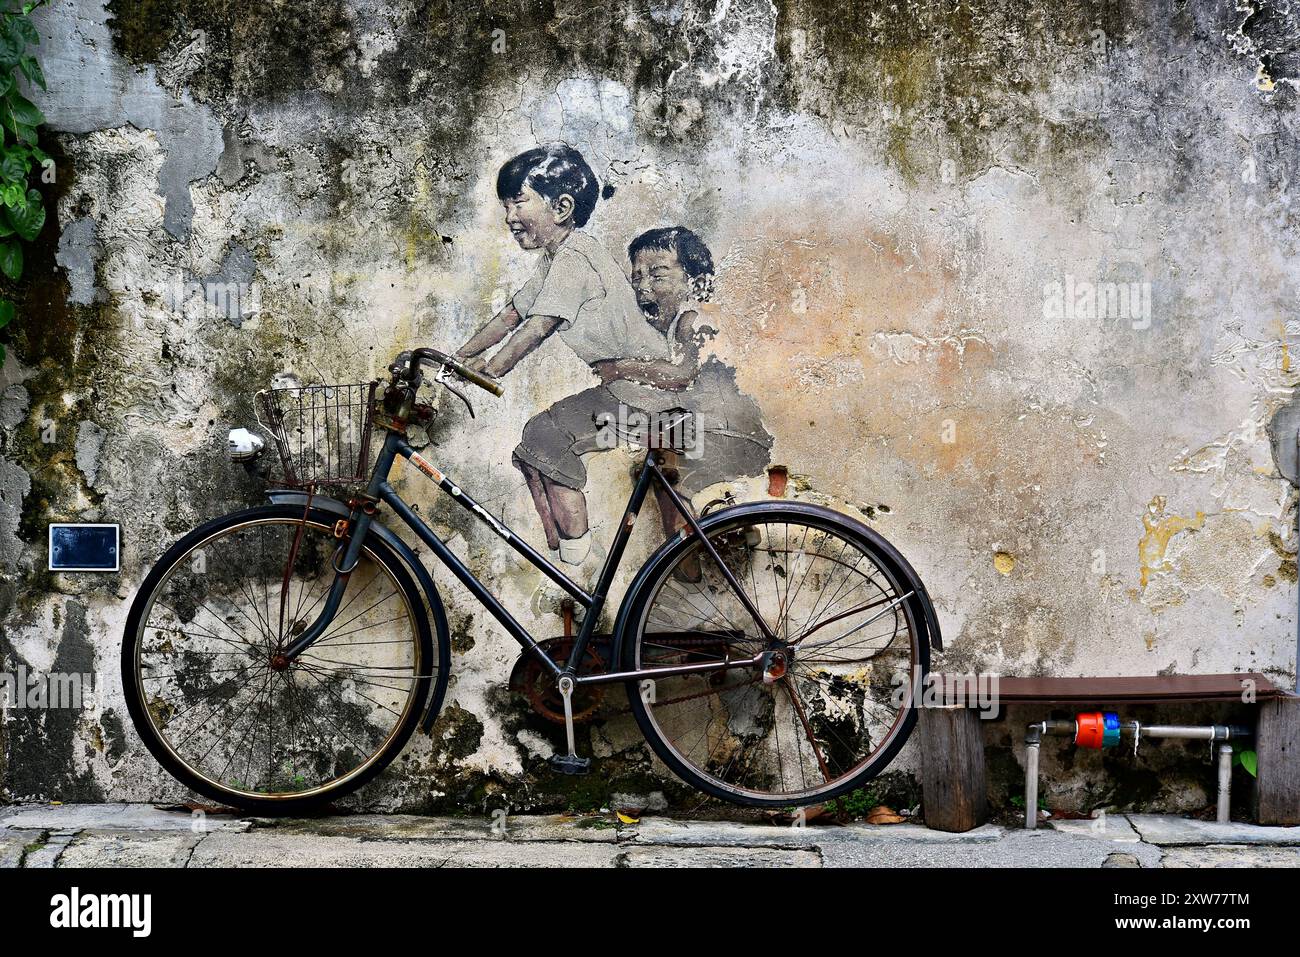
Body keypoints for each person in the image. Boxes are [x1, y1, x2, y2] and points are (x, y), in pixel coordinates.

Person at [455, 143, 686, 567]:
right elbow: (511, 315)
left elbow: (539, 326)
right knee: (534, 446)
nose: (509, 216)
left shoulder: (577, 257)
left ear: (561, 207)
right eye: (506, 205)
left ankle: (578, 559)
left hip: (644, 394)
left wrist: (492, 368)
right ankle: (565, 556)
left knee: (544, 437)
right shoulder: (554, 258)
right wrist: (457, 356)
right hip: (624, 391)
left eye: (519, 201)